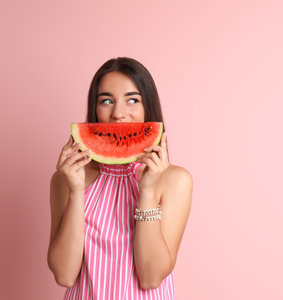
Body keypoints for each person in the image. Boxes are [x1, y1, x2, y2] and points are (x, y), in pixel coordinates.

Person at [47, 57, 193, 299]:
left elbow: (150, 277)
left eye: (133, 100)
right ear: (94, 110)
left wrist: (147, 192)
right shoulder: (66, 179)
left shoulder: (175, 180)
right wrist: (75, 191)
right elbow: (64, 275)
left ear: (149, 108)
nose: (118, 114)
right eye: (106, 100)